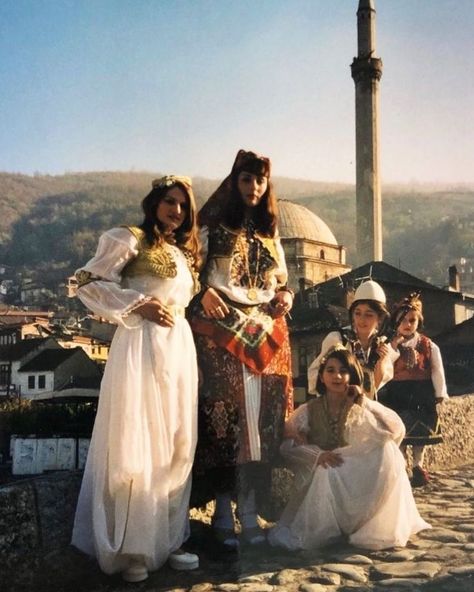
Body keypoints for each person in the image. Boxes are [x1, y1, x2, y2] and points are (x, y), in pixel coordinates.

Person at [71, 175, 201, 582]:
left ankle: (169, 538)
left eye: (182, 205)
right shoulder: (128, 239)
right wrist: (139, 304)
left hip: (178, 346)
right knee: (139, 438)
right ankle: (133, 549)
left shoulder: (182, 254)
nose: (176, 210)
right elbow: (87, 282)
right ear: (154, 202)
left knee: (178, 440)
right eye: (169, 201)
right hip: (141, 346)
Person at [191, 149, 294, 549]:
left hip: (266, 329)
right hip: (220, 329)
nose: (253, 187)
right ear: (234, 182)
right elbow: (190, 270)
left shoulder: (271, 233)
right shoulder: (211, 227)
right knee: (225, 420)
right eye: (247, 179)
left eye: (260, 181)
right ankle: (220, 508)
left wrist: (286, 295)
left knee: (261, 424)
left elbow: (281, 279)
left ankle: (248, 508)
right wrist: (202, 294)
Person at [268, 346, 430, 551]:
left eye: (343, 371)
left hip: (352, 473)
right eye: (330, 370)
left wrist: (363, 401)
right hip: (324, 474)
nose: (337, 376)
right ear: (321, 376)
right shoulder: (308, 410)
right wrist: (317, 455)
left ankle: (367, 525)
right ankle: (331, 529)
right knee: (326, 472)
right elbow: (286, 447)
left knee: (387, 449)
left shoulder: (359, 406)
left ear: (352, 375)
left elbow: (396, 430)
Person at [378, 292, 449, 487]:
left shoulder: (428, 345)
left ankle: (418, 465)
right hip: (398, 394)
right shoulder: (390, 344)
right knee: (400, 434)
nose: (407, 324)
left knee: (420, 435)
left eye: (412, 320)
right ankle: (401, 466)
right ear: (396, 322)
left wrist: (440, 392)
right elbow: (387, 366)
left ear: (419, 321)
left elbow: (436, 369)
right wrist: (393, 346)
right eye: (402, 320)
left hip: (420, 394)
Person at [307, 280, 397, 400]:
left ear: (379, 318)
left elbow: (373, 388)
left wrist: (381, 362)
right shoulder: (337, 339)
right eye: (357, 313)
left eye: (368, 315)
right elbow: (316, 375)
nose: (361, 320)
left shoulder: (382, 345)